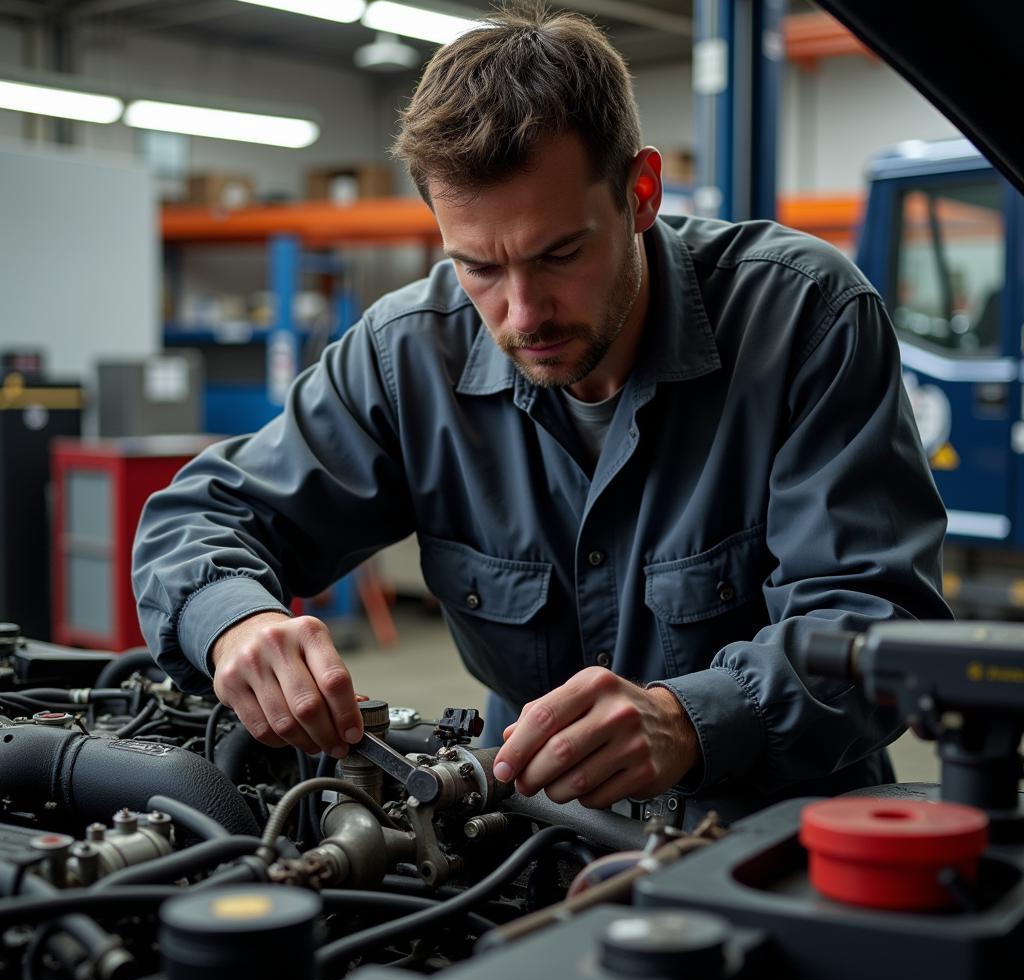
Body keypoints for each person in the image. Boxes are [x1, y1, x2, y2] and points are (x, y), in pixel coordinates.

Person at [132, 3, 950, 828]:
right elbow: (201, 516)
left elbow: (877, 621)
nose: (523, 314)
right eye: (478, 266)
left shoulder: (803, 317)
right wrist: (239, 621)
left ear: (640, 192)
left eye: (559, 254)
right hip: (528, 837)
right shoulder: (408, 355)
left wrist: (692, 718)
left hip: (777, 845)